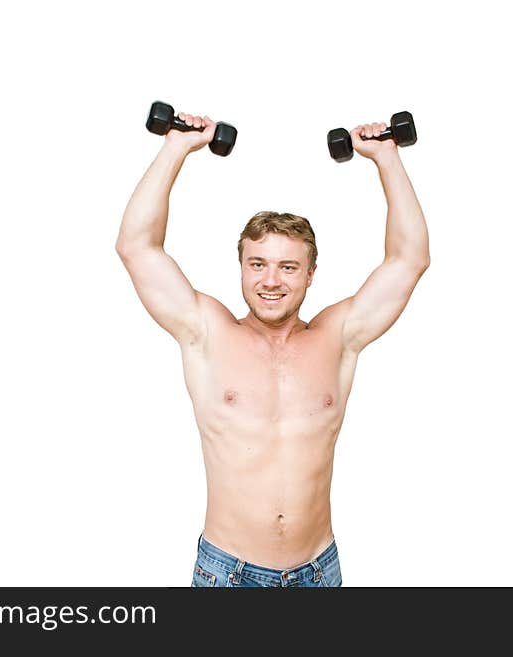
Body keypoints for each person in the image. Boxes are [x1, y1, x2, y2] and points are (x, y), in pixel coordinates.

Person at [115, 109, 430, 587]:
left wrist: (387, 157)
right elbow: (137, 246)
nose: (270, 281)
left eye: (287, 267)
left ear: (310, 274)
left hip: (317, 572)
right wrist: (176, 146)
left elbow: (409, 259)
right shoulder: (206, 332)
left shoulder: (338, 337)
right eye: (257, 263)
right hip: (229, 572)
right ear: (241, 267)